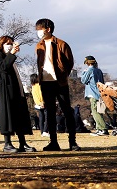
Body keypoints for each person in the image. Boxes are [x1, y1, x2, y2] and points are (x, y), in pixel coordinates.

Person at [35, 18, 80, 152]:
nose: (38, 32)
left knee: (67, 111)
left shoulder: (61, 44)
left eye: (40, 29)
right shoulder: (39, 45)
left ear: (48, 29)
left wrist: (62, 75)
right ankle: (53, 142)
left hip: (60, 82)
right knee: (50, 113)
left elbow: (69, 62)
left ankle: (72, 142)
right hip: (45, 82)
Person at [0, 36, 35, 153]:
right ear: (1, 45)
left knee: (19, 117)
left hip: (16, 92)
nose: (10, 46)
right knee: (8, 117)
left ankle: (23, 143)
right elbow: (3, 67)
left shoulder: (10, 58)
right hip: (6, 93)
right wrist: (11, 54)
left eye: (11, 43)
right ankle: (7, 144)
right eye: (7, 44)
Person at [81, 55, 107, 136]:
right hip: (99, 93)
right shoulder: (98, 70)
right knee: (98, 111)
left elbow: (83, 80)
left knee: (95, 112)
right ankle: (99, 128)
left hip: (92, 93)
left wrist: (84, 72)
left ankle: (102, 129)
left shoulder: (89, 70)